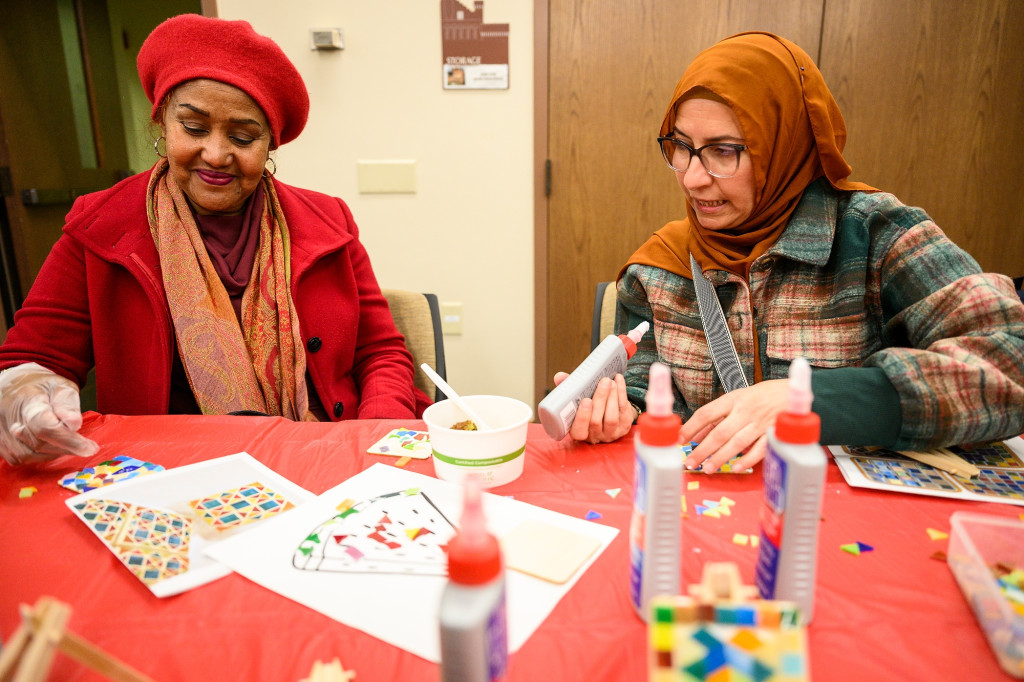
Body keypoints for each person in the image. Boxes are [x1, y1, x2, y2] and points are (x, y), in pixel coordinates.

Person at [556, 31, 1024, 472]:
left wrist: (812, 399)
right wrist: (620, 410)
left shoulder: (875, 237)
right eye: (681, 146)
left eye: (723, 151)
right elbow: (642, 386)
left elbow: (1010, 360)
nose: (693, 178)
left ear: (785, 144)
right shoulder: (658, 267)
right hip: (707, 518)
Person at [0, 15, 430, 466]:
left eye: (243, 137)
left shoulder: (328, 220)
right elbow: (34, 357)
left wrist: (378, 435)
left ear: (270, 147)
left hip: (318, 454)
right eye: (194, 128)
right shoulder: (100, 224)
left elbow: (379, 352)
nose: (217, 154)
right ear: (162, 124)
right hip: (163, 470)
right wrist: (27, 392)